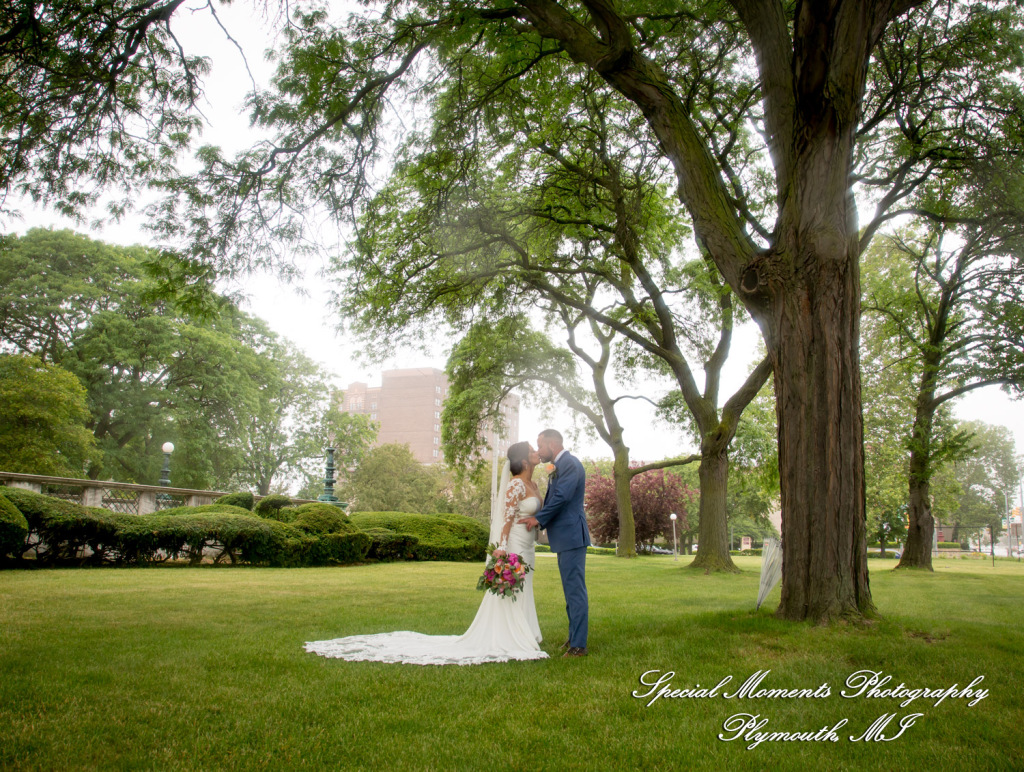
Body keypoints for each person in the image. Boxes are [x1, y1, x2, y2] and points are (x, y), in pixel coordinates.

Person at [304, 441, 547, 665]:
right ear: (524, 461)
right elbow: (506, 518)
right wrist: (501, 547)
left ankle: (526, 630)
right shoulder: (515, 484)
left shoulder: (533, 484)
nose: (536, 452)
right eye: (532, 451)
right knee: (514, 585)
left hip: (528, 544)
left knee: (526, 584)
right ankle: (510, 634)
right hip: (514, 542)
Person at [519, 429, 590, 657]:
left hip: (572, 536)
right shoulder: (560, 465)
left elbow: (562, 497)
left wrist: (538, 518)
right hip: (566, 537)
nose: (539, 451)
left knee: (575, 591)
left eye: (540, 446)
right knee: (570, 591)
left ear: (551, 444)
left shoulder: (569, 464)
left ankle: (579, 646)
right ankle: (574, 638)